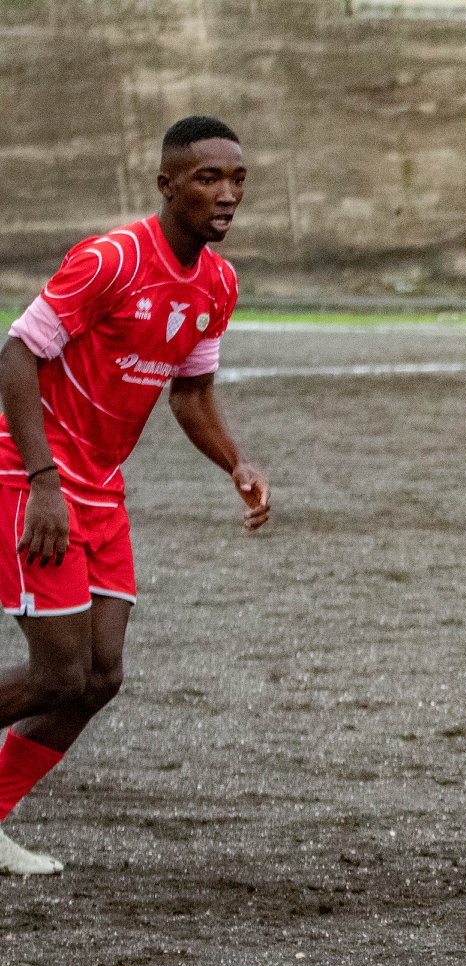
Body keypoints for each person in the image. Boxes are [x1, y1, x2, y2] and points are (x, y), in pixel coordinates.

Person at [0, 115, 270, 877]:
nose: (227, 194)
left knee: (99, 680)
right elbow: (16, 356)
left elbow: (192, 393)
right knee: (56, 676)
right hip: (30, 479)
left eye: (237, 179)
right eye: (208, 178)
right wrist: (44, 482)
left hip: (100, 491)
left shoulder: (217, 284)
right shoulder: (111, 259)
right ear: (167, 185)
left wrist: (236, 462)